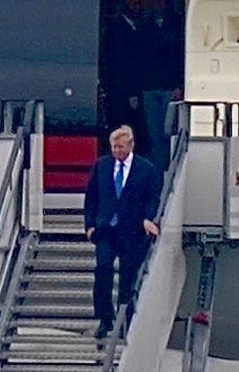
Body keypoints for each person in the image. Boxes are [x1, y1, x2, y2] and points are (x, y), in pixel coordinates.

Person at [83, 125, 161, 340]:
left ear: (131, 145)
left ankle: (125, 321)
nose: (116, 150)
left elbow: (152, 198)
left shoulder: (146, 169)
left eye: (120, 146)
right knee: (103, 270)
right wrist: (89, 225)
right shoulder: (102, 165)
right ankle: (104, 319)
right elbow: (91, 198)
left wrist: (148, 219)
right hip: (106, 230)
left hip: (132, 230)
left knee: (128, 276)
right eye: (113, 147)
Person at [141, 0, 184, 173]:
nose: (157, 3)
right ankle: (157, 171)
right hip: (150, 86)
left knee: (169, 132)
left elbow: (181, 54)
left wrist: (180, 84)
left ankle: (171, 169)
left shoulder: (177, 23)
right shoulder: (145, 23)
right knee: (154, 133)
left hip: (170, 86)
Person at [103, 0, 150, 153]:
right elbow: (121, 61)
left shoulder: (141, 25)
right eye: (132, 1)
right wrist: (131, 92)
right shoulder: (116, 27)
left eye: (138, 1)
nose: (136, 5)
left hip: (138, 86)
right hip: (123, 89)